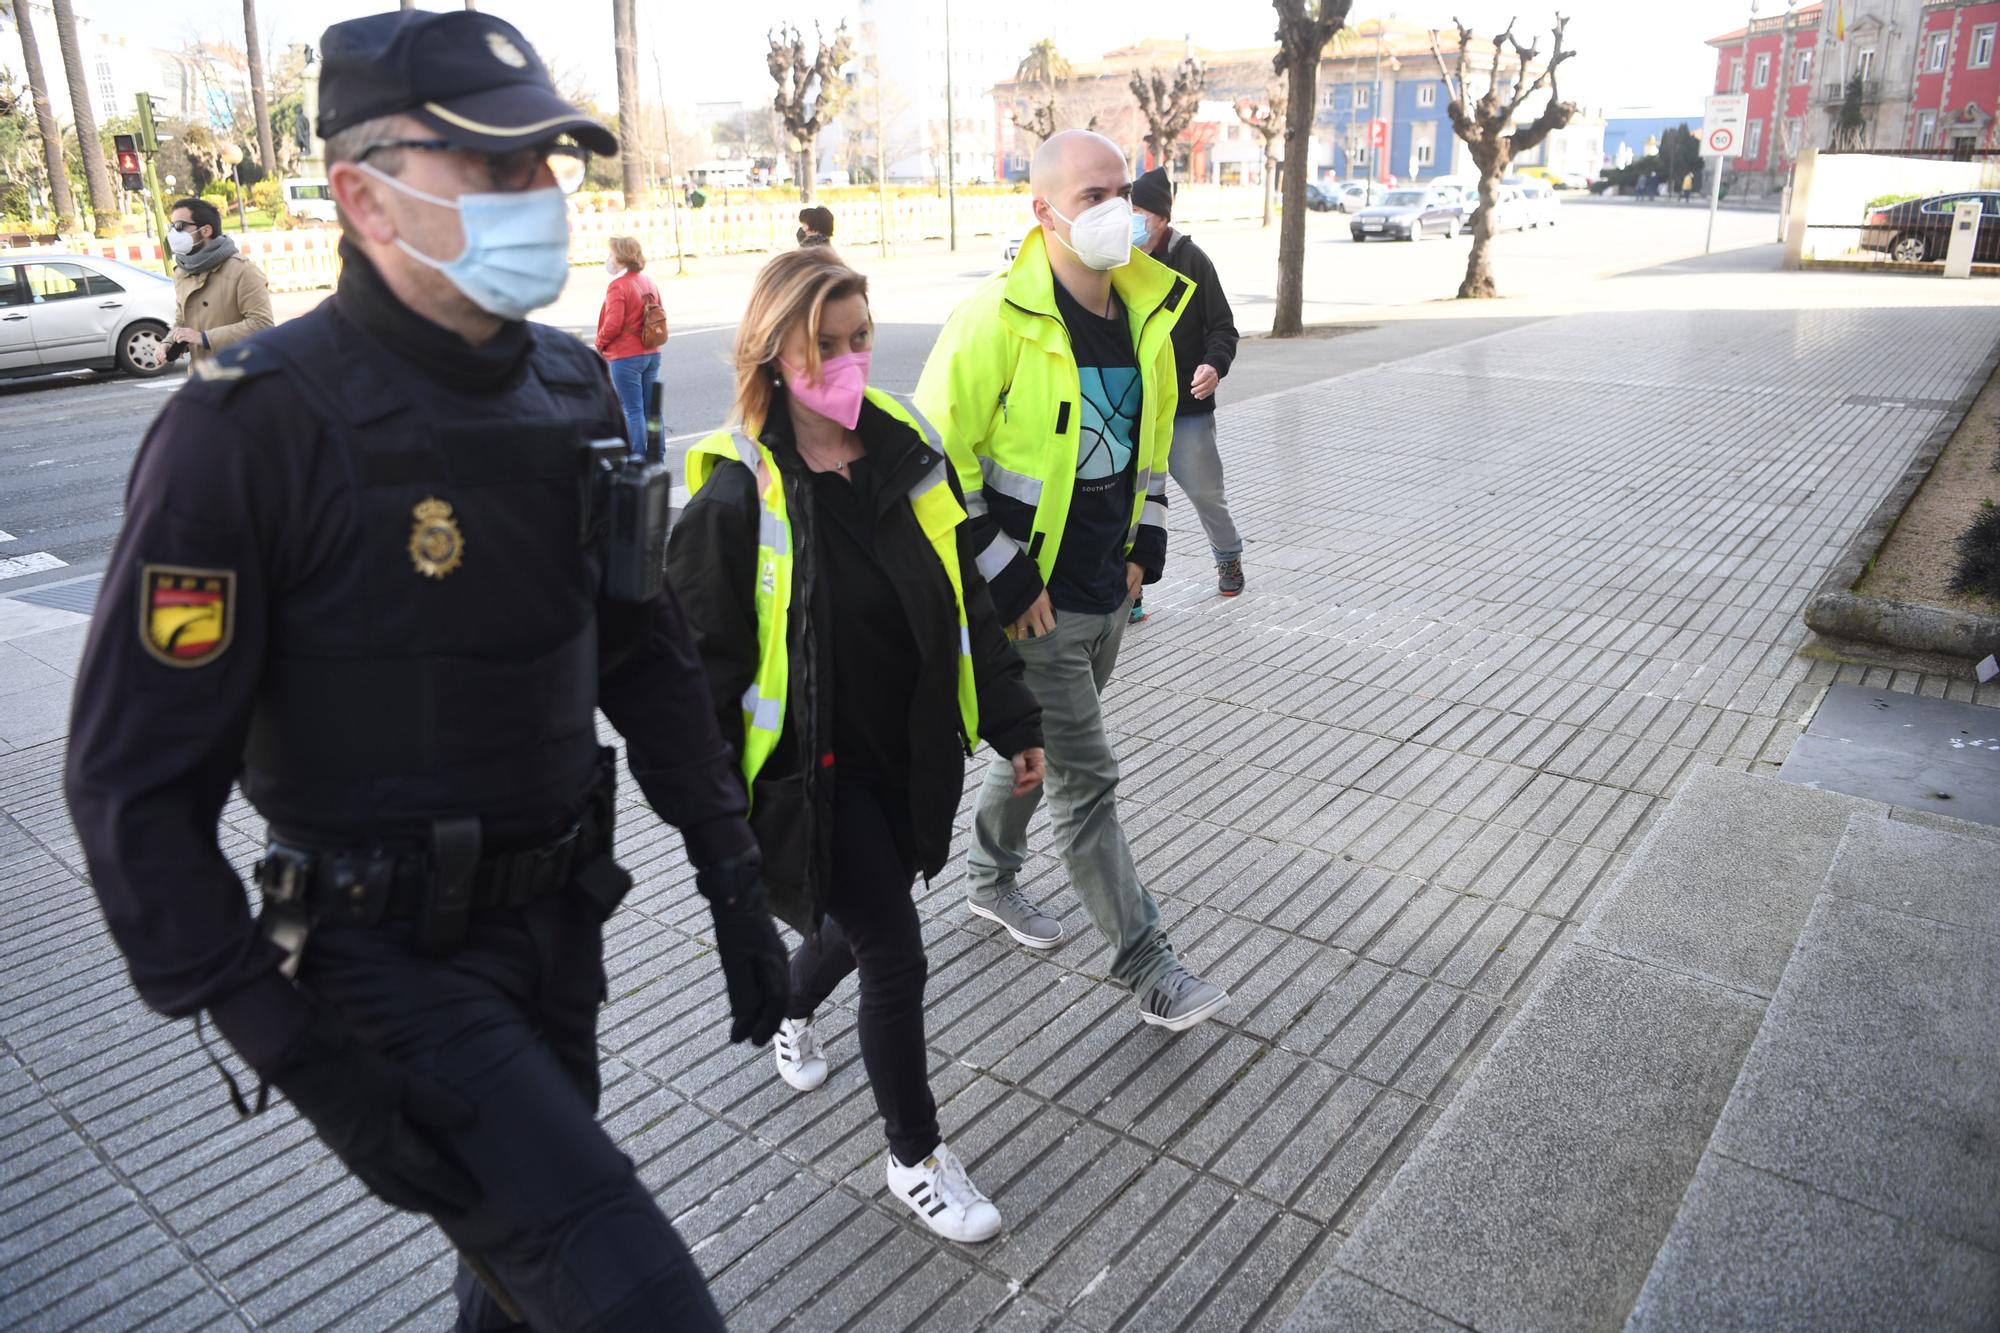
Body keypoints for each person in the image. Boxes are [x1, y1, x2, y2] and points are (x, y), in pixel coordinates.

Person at [63, 12, 788, 1330]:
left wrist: (729, 861)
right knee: (641, 1301)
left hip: (560, 930)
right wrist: (295, 1049)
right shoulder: (247, 434)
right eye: (490, 166)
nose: (537, 198)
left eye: (545, 165)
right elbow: (128, 790)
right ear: (359, 192)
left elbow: (643, 647)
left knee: (514, 1294)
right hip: (380, 961)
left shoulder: (571, 389)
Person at [670, 246, 1046, 1242]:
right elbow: (696, 680)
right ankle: (915, 1157)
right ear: (770, 352)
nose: (847, 360)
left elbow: (964, 594)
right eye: (821, 345)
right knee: (893, 948)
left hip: (903, 752)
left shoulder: (903, 448)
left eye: (858, 338)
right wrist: (718, 830)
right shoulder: (734, 499)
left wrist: (1012, 720)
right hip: (804, 780)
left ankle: (785, 1004)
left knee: (866, 920)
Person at [913, 129, 1230, 1032]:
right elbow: (933, 459)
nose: (1113, 211)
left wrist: (1148, 548)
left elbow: (1149, 447)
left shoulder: (1148, 313)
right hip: (1031, 604)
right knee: (1087, 780)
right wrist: (1005, 577)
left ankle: (986, 876)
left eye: (1120, 191)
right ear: (1042, 210)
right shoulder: (993, 320)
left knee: (1040, 751)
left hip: (1105, 591)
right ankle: (1151, 967)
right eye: (1091, 196)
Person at [1129, 166, 1243, 623]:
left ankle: (1228, 554)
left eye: (1139, 212)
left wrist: (1213, 366)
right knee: (1129, 501)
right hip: (1134, 408)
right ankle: (1130, 589)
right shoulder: (1120, 261)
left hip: (1185, 408)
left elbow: (1223, 328)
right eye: (1127, 210)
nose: (1132, 221)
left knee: (1205, 492)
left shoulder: (1192, 260)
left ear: (1160, 218)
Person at [166, 196, 273, 366]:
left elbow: (262, 324)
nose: (173, 233)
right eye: (171, 226)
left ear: (206, 231)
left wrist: (204, 338)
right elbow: (182, 321)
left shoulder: (243, 270)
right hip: (203, 377)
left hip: (242, 374)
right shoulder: (182, 272)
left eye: (179, 226)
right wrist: (168, 344)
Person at [596, 234, 664, 456]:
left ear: (621, 258)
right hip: (652, 353)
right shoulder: (648, 281)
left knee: (633, 411)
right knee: (652, 411)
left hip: (626, 356)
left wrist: (599, 342)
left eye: (611, 255)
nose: (609, 259)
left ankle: (637, 458)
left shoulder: (618, 286)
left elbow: (613, 324)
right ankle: (657, 455)